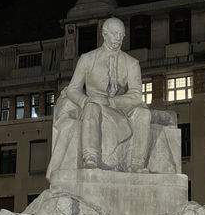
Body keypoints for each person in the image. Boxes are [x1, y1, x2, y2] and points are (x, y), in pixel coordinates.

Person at [48, 17, 152, 174]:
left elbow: (136, 95)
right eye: (115, 34)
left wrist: (112, 102)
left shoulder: (131, 63)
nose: (119, 38)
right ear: (104, 34)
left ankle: (137, 163)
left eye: (121, 35)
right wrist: (85, 100)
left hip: (120, 106)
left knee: (144, 114)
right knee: (91, 108)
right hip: (94, 104)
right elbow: (73, 89)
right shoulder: (88, 59)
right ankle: (90, 158)